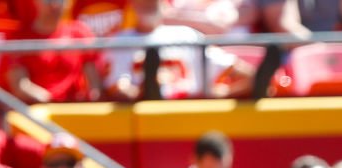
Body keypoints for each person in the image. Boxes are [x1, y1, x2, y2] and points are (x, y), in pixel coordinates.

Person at [104, 0, 254, 101]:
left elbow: (249, 74)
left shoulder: (186, 35)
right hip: (146, 113)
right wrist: (145, 92)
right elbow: (118, 88)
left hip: (188, 111)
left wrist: (223, 93)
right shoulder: (122, 40)